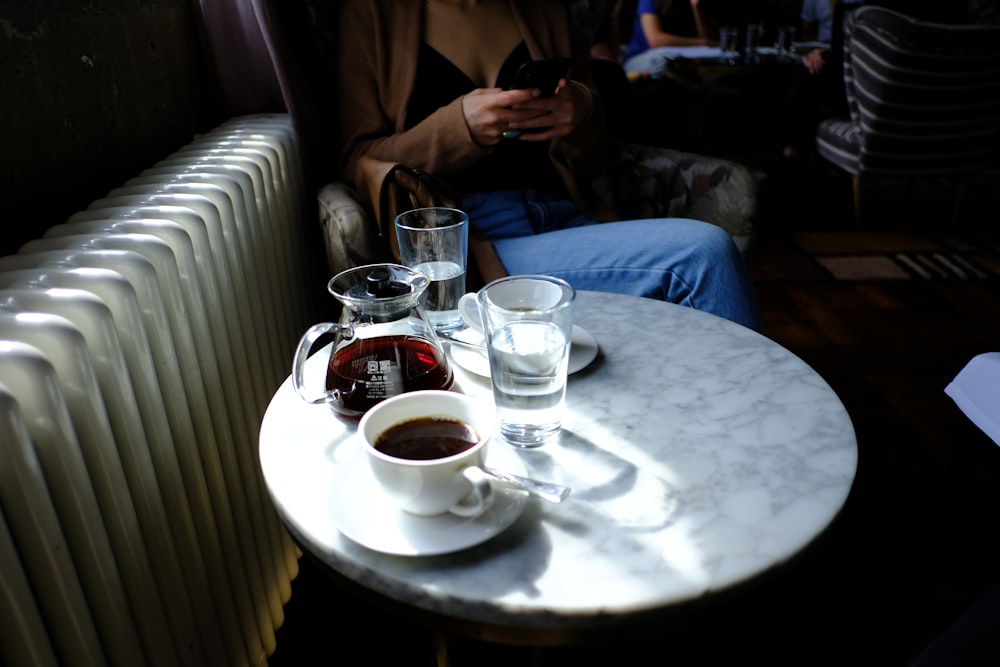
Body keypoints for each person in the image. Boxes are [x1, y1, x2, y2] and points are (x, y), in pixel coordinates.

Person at [335, 0, 763, 333]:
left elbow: (594, 161)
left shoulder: (545, 10)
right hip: (474, 243)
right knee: (704, 254)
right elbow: (358, 157)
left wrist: (582, 113)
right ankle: (759, 434)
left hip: (567, 217)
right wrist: (457, 128)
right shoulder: (371, 14)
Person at [622, 0, 718, 75]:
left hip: (683, 58)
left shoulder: (687, 4)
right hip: (641, 57)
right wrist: (701, 42)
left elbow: (709, 41)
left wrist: (696, 7)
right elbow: (656, 41)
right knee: (668, 65)